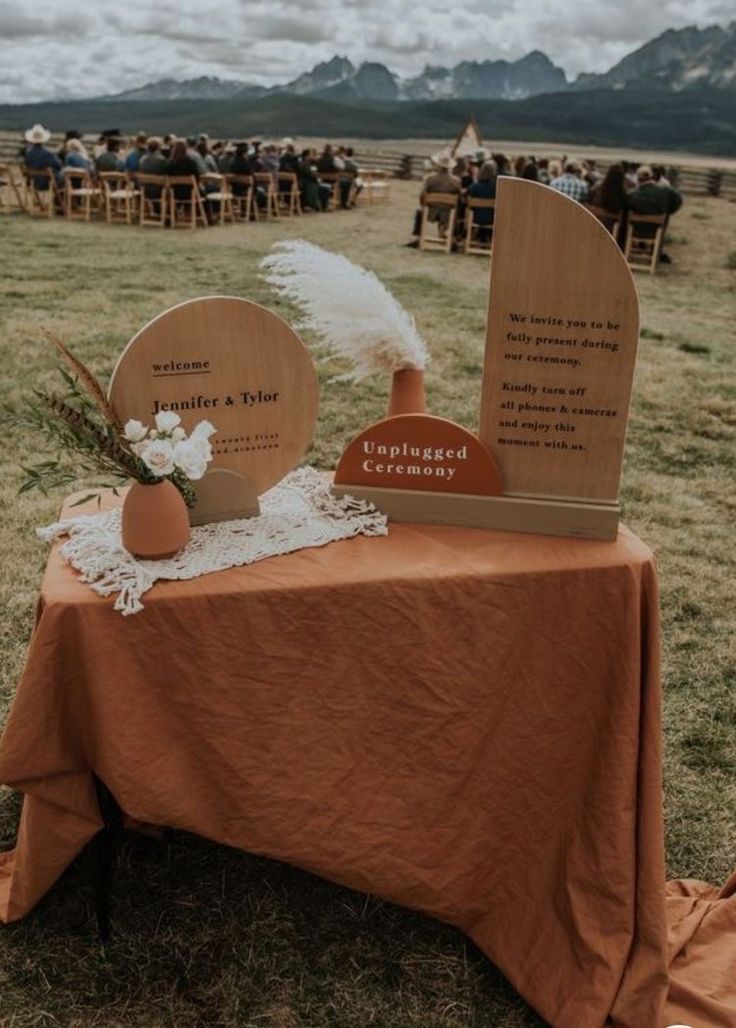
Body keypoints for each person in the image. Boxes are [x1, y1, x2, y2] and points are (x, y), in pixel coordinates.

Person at [626, 165, 683, 262]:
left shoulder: (632, 194)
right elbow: (679, 199)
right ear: (651, 177)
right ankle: (656, 252)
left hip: (637, 229)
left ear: (639, 180)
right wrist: (668, 212)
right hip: (657, 228)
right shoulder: (665, 190)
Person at [407, 154, 461, 244]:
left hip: (431, 210)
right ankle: (448, 234)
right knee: (455, 210)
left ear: (438, 166)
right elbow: (459, 196)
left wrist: (424, 205)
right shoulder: (456, 181)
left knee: (420, 212)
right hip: (449, 211)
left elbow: (423, 194)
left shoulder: (430, 179)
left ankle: (419, 236)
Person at [23, 124, 63, 190]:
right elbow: (59, 165)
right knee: (60, 174)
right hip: (46, 182)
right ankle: (59, 197)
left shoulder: (28, 153)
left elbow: (26, 165)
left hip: (34, 181)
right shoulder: (48, 153)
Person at [467, 160, 497, 242]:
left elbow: (468, 200)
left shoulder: (474, 187)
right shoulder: (496, 188)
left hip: (475, 218)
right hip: (492, 219)